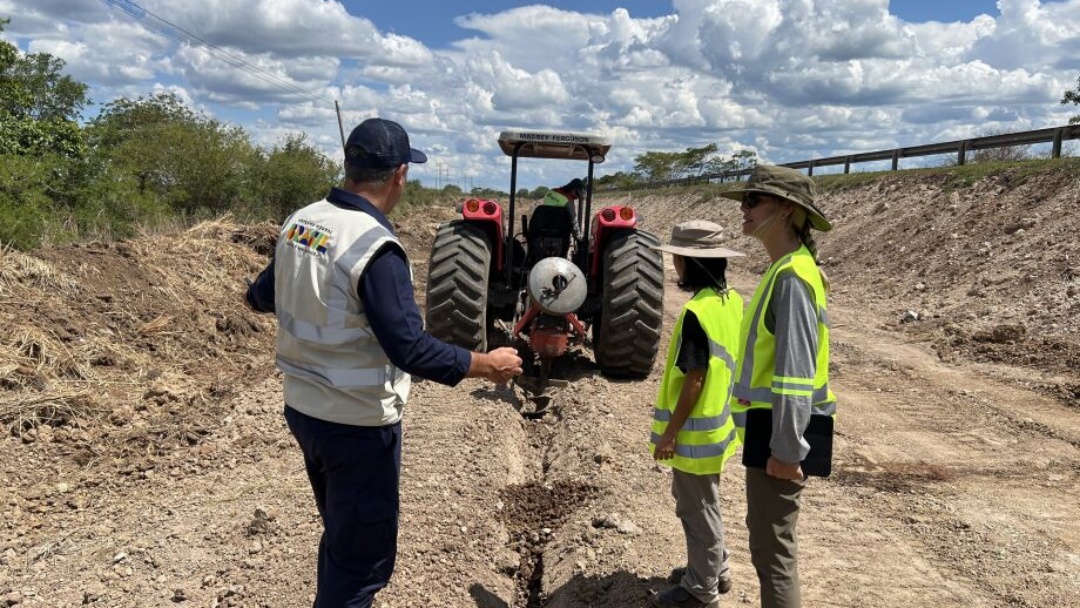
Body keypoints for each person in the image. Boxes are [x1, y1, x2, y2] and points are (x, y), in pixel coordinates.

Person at [244, 117, 523, 608]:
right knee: (360, 564)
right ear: (400, 174)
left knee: (342, 536)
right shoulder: (375, 246)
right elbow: (410, 349)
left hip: (304, 412)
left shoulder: (300, 224)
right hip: (358, 424)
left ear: (349, 166)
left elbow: (260, 297)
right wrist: (487, 363)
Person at [720, 165, 836, 608]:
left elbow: (794, 376)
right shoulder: (784, 270)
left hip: (780, 440)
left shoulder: (791, 278)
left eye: (754, 200)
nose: (743, 210)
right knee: (767, 548)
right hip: (769, 436)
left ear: (787, 209)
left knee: (774, 555)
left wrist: (787, 453)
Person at [649, 220, 745, 608]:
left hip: (694, 431)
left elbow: (695, 379)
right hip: (717, 426)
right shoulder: (730, 301)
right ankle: (714, 567)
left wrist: (671, 433)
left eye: (677, 259)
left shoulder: (697, 312)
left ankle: (700, 590)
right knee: (707, 499)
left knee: (695, 506)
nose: (674, 266)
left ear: (690, 262)